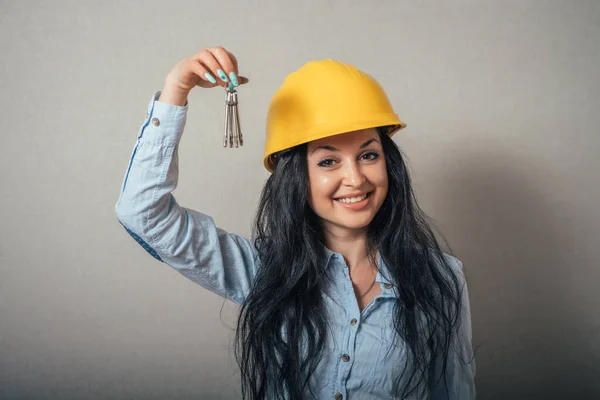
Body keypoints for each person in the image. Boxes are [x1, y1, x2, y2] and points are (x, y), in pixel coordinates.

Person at [115, 46, 476, 400]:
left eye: (368, 155)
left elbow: (456, 391)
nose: (355, 178)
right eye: (327, 162)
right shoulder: (262, 270)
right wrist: (176, 90)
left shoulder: (441, 276)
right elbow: (143, 213)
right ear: (296, 178)